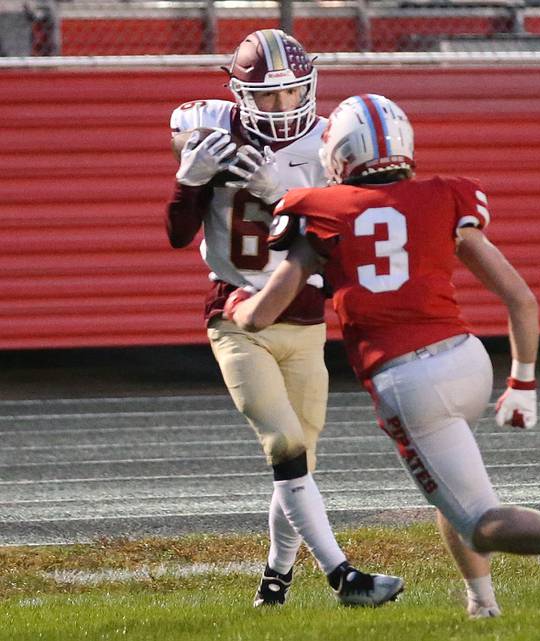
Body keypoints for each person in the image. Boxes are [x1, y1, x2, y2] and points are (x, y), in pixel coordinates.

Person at [224, 93, 540, 617]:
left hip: (408, 381)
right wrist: (522, 383)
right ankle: (482, 604)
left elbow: (262, 315)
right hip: (469, 360)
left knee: (479, 520)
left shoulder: (317, 211)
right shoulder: (446, 196)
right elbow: (520, 297)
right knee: (451, 496)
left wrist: (239, 303)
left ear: (339, 154)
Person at [164, 31, 403, 607]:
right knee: (285, 446)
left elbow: (340, 234)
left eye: (292, 93)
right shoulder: (212, 132)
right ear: (240, 93)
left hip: (306, 318)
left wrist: (284, 196)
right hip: (237, 311)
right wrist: (188, 182)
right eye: (266, 96)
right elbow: (177, 236)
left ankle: (275, 580)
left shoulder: (330, 142)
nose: (280, 106)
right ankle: (345, 577)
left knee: (300, 466)